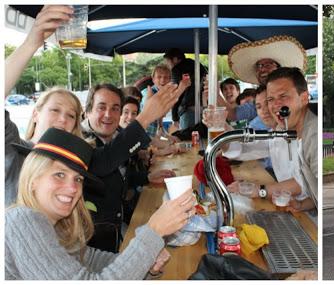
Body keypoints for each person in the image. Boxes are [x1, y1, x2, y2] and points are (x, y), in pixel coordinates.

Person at [6, 127, 196, 280]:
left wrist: (149, 264)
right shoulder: (21, 220)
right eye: (59, 175)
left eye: (78, 179)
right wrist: (153, 231)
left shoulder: (61, 228)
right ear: (33, 181)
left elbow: (96, 261)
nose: (72, 188)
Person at [81, 83, 180, 252]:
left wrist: (146, 178)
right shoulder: (80, 140)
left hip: (117, 231)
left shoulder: (114, 136)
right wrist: (146, 117)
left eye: (115, 109)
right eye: (101, 107)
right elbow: (103, 163)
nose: (108, 114)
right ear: (88, 111)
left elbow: (117, 176)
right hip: (93, 248)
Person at [4, 5, 84, 206]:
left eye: (71, 115)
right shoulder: (14, 151)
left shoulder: (74, 166)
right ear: (36, 114)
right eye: (55, 110)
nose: (63, 118)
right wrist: (32, 43)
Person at [265, 67, 317, 211]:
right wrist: (302, 205)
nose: (276, 105)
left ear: (304, 98)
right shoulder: (282, 130)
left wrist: (261, 191)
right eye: (270, 99)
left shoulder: (313, 136)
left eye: (283, 96)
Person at [225, 35, 306, 122]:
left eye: (268, 65)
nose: (262, 69)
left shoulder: (293, 90)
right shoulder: (258, 98)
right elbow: (232, 114)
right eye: (259, 66)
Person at [163, 48, 208, 129]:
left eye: (168, 61)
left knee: (188, 139)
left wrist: (174, 117)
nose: (167, 65)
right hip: (204, 109)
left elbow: (176, 94)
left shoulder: (176, 69)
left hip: (188, 110)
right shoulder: (198, 65)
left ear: (175, 59)